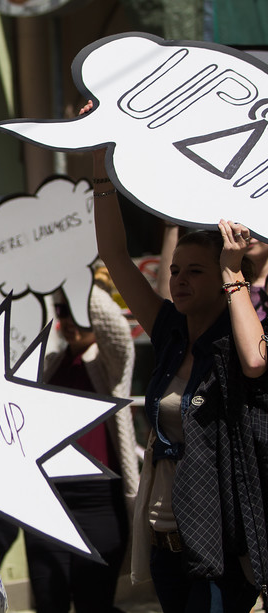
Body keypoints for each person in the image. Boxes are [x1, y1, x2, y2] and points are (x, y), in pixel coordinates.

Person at [88, 99, 267, 613]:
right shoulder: (168, 331)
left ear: (224, 278)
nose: (179, 280)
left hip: (221, 546)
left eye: (196, 271)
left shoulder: (240, 338)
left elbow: (256, 362)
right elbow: (116, 257)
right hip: (165, 540)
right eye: (176, 270)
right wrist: (100, 168)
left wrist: (235, 273)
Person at [24, 285, 139, 613]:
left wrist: (76, 277)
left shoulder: (109, 364)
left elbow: (116, 330)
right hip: (49, 501)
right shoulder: (51, 361)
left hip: (99, 501)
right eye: (63, 314)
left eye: (76, 313)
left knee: (94, 602)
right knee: (49, 601)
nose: (69, 322)